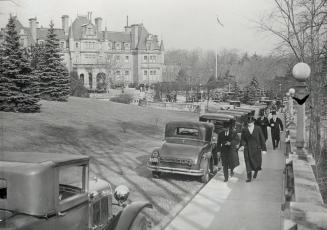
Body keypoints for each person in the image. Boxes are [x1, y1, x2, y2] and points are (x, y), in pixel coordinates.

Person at [240, 116, 267, 182]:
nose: (249, 124)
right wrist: (243, 145)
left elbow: (262, 138)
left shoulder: (258, 128)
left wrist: (264, 149)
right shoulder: (244, 129)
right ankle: (249, 177)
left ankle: (256, 171)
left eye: (251, 123)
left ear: (253, 122)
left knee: (256, 162)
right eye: (248, 123)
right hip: (247, 148)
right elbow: (243, 139)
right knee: (247, 162)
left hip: (256, 149)